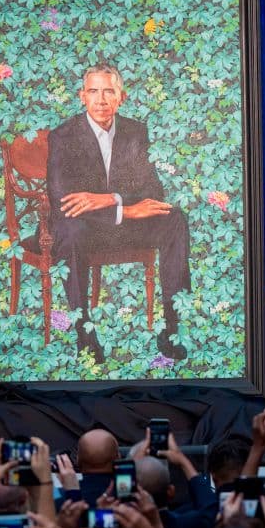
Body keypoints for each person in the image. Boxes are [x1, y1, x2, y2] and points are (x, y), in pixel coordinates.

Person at [46, 62, 191, 364]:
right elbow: (65, 201)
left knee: (174, 218)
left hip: (120, 224)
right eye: (93, 91)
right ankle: (85, 334)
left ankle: (171, 328)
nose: (101, 100)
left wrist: (111, 199)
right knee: (71, 231)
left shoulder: (135, 131)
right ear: (82, 96)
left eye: (109, 92)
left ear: (121, 98)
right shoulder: (63, 136)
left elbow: (153, 189)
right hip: (83, 227)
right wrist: (125, 210)